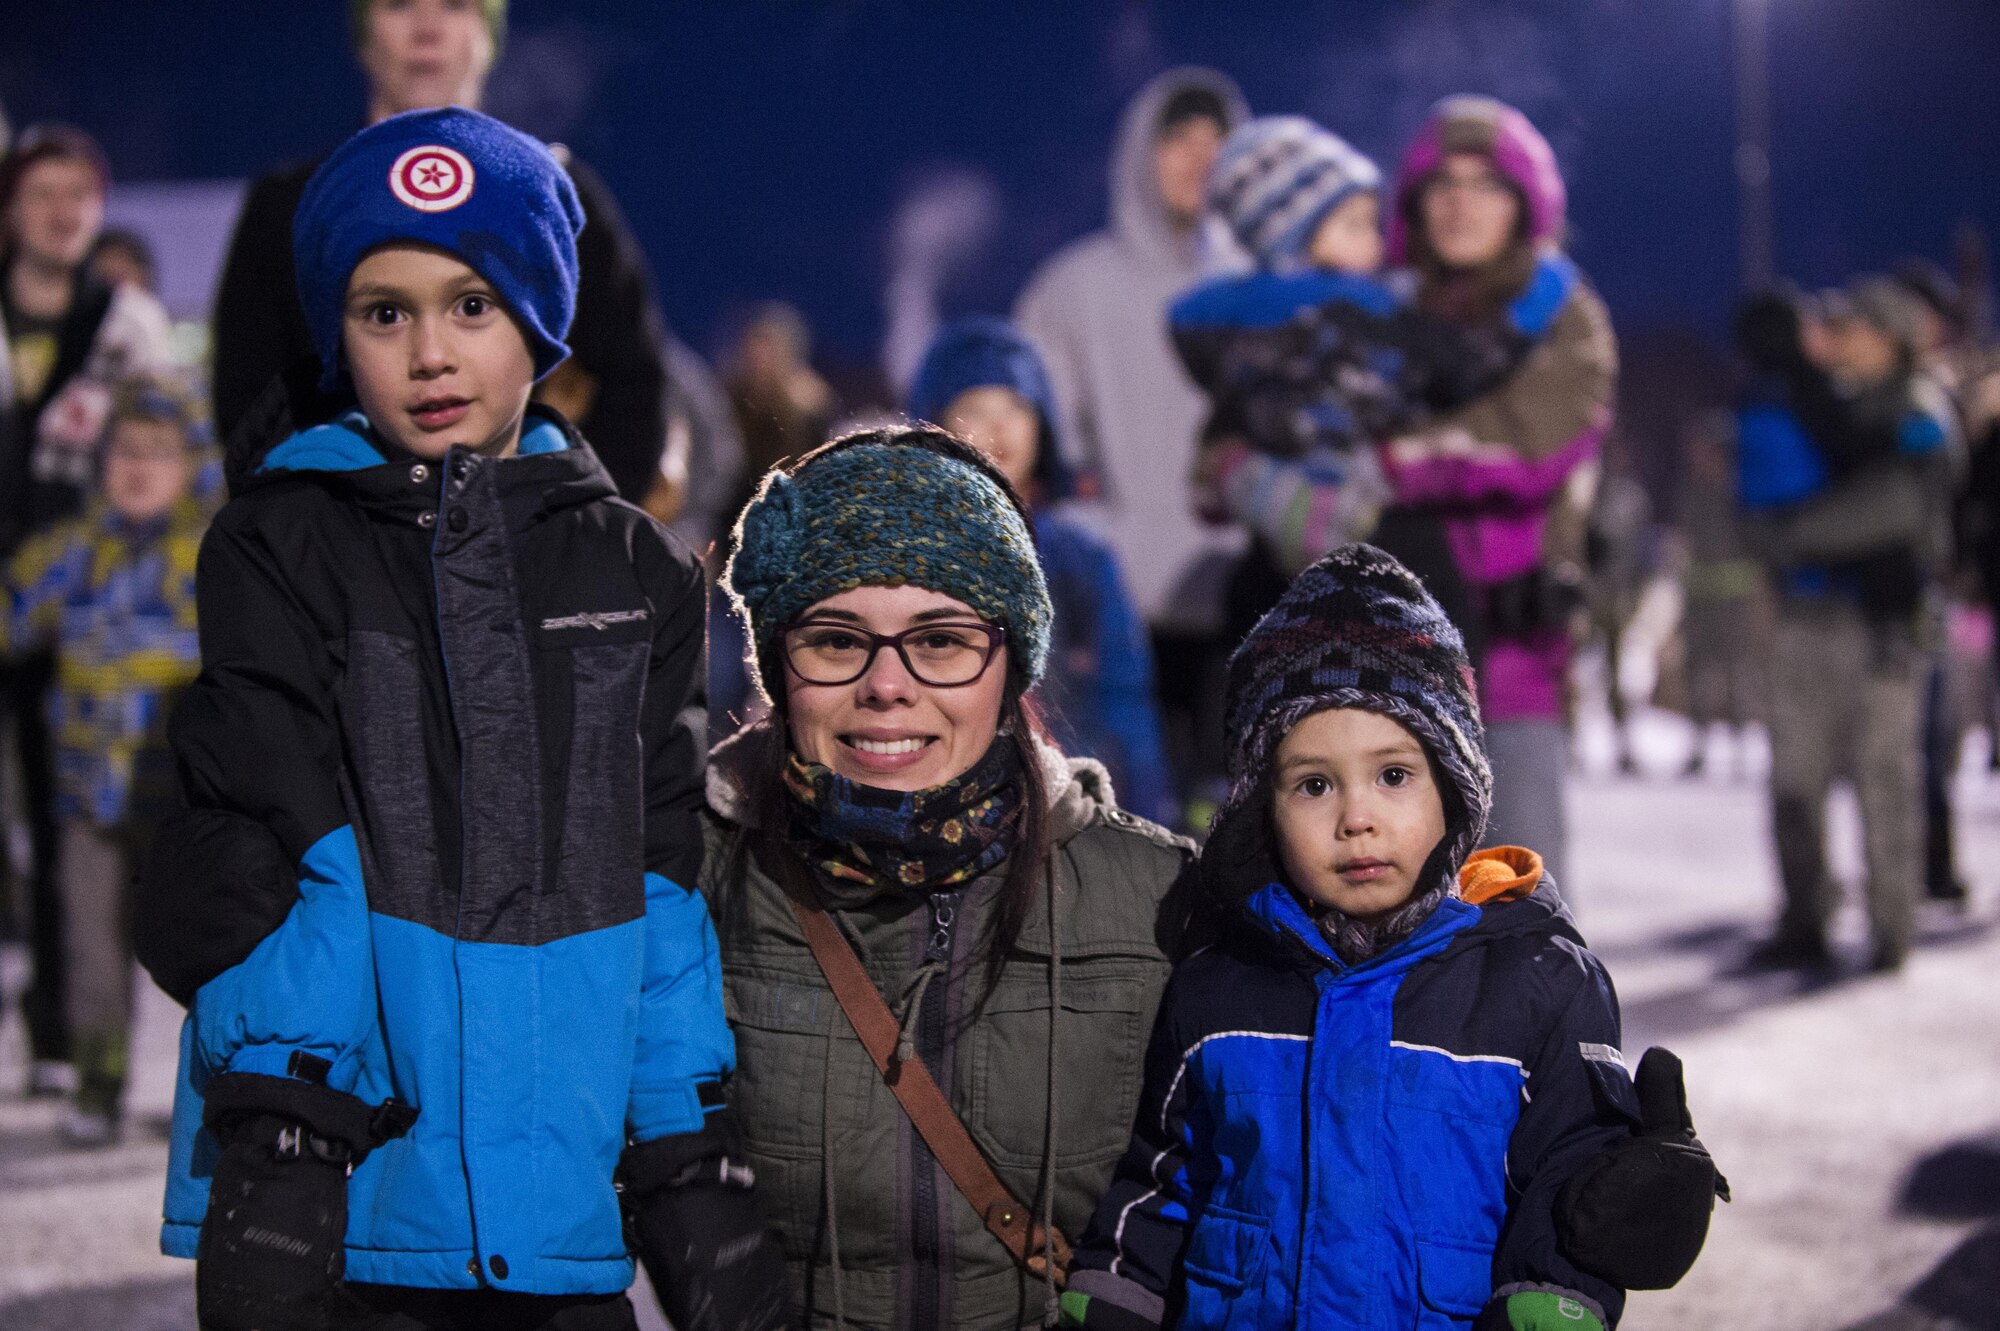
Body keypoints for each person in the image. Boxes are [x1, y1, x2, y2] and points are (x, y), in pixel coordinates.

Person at [132, 109, 781, 1331]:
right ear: (339, 330)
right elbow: (286, 836)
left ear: (539, 318)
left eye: (472, 305)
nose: (430, 351)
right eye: (386, 311)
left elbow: (655, 884)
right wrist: (289, 1112)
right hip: (351, 1183)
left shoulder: (636, 571)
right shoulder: (277, 544)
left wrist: (688, 1149)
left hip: (562, 1220)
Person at [1060, 545, 1722, 1331]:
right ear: (1261, 808)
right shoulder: (1218, 987)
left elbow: (1567, 1176)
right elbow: (1161, 1175)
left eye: (1394, 775)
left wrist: (1571, 1276)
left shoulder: (1537, 982)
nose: (1357, 816)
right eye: (1313, 784)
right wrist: (1113, 1300)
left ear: (1454, 782)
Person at [706, 426, 1196, 1328]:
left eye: (940, 639)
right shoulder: (692, 885)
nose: (888, 684)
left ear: (1011, 664)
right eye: (834, 638)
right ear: (778, 664)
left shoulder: (1162, 906)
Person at [1209, 97, 1617, 881]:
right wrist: (1240, 466)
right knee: (1382, 911)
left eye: (1488, 185)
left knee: (1513, 905)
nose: (1462, 203)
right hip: (1372, 663)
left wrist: (1390, 462)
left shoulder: (1560, 314)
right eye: (1444, 184)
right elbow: (1259, 418)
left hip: (1508, 661)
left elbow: (1532, 441)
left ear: (1526, 203)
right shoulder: (1375, 311)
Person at [210, 0, 674, 505]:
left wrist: (569, 532)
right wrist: (318, 542)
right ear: (364, 37)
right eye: (399, 5)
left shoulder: (558, 199)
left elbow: (634, 392)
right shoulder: (288, 207)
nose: (427, 28)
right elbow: (249, 404)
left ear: (488, 35)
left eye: (455, 5)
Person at [1176, 114, 1563, 646]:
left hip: (1281, 564)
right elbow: (1459, 363)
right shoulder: (1352, 317)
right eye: (1356, 226)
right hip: (1377, 534)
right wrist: (1539, 296)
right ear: (1296, 241)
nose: (1377, 248)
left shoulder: (1235, 332)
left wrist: (1243, 478)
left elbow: (1217, 452)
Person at [1014, 69, 1249, 815]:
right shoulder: (1073, 289)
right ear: (1140, 153)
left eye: (1217, 142)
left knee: (1245, 829)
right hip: (1119, 616)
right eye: (1178, 140)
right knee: (1127, 829)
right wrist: (1096, 537)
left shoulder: (1267, 289)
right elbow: (1031, 440)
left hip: (1248, 602)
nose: (1198, 159)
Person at [1, 121, 175, 1096]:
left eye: (81, 193)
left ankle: (68, 1030)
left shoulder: (129, 323)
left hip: (82, 613)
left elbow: (163, 462)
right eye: (43, 192)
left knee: (74, 823)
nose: (64, 212)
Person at [1, 376, 205, 1145]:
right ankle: (98, 1072)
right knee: (91, 944)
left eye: (160, 453)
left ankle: (216, 1086)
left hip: (184, 800)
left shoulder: (206, 555)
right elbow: (13, 613)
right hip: (89, 795)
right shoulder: (72, 552)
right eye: (125, 450)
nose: (140, 467)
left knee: (206, 944)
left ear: (190, 463)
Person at [1735, 278, 1959, 971]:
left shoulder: (1917, 405)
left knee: (1883, 777)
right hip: (1809, 614)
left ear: (1890, 337)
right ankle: (1805, 916)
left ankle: (1892, 925)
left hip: (1882, 622)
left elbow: (1898, 504)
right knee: (1794, 777)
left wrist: (1795, 533)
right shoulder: (1829, 405)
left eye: (1853, 327)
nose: (1835, 338)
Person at [907, 315, 1176, 827]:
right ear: (934, 422)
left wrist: (1146, 811)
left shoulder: (1081, 557)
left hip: (1069, 804)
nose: (999, 427)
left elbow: (1125, 695)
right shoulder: (911, 554)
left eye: (1017, 407)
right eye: (974, 408)